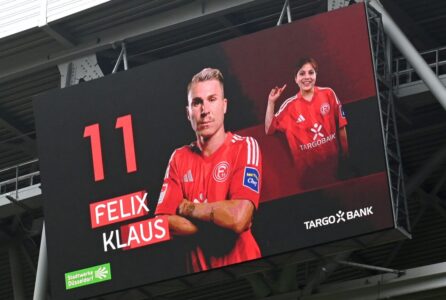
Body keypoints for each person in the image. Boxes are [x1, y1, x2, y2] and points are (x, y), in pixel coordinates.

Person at [155, 68, 262, 272]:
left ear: (224, 106)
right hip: (199, 284)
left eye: (212, 99)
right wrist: (220, 221)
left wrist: (188, 209)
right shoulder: (178, 158)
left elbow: (239, 219)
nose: (205, 110)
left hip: (249, 274)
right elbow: (161, 225)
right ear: (188, 113)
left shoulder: (246, 146)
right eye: (197, 102)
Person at [265, 57, 348, 189]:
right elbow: (269, 129)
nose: (307, 77)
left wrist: (345, 158)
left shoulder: (328, 94)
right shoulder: (289, 106)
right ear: (296, 79)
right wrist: (271, 102)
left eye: (311, 72)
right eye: (302, 73)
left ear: (316, 75)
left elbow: (341, 128)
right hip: (309, 179)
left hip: (336, 172)